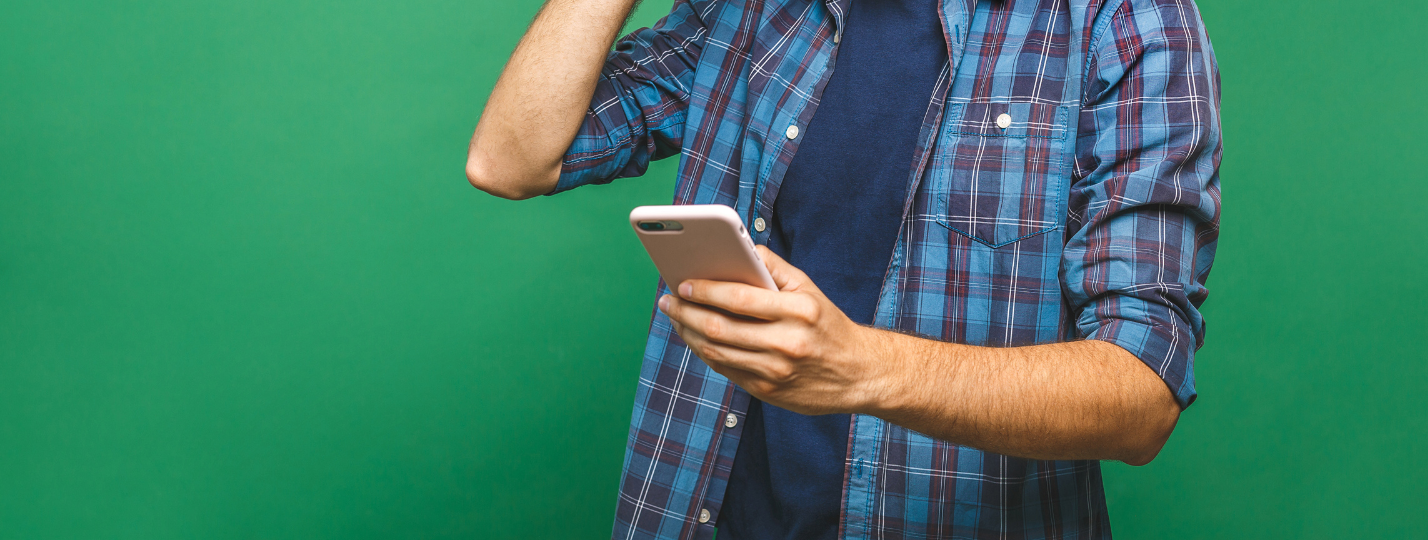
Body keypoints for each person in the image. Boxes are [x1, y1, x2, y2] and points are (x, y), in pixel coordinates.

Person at [466, 0, 1221, 536]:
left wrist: (862, 369)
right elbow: (512, 156)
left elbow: (1140, 394)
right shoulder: (753, 10)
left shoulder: (1129, 21)